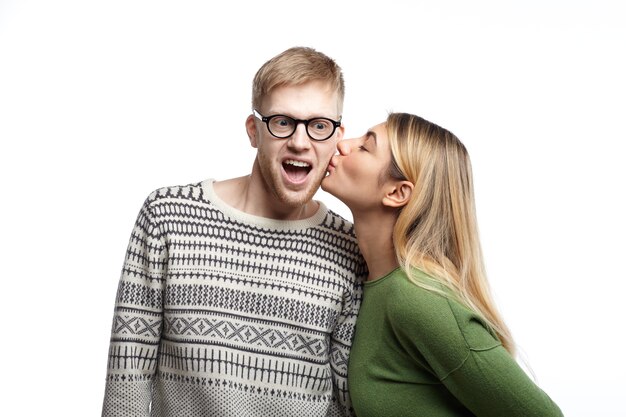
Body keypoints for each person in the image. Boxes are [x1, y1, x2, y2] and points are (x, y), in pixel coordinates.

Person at [101, 46, 366, 417]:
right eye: (282, 122)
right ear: (253, 131)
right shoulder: (168, 218)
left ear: (337, 135)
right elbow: (126, 384)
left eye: (319, 125)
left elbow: (345, 404)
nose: (300, 142)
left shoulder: (351, 248)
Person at [321, 112, 563, 416]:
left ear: (397, 192)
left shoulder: (418, 299)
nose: (344, 144)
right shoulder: (367, 281)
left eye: (365, 147)